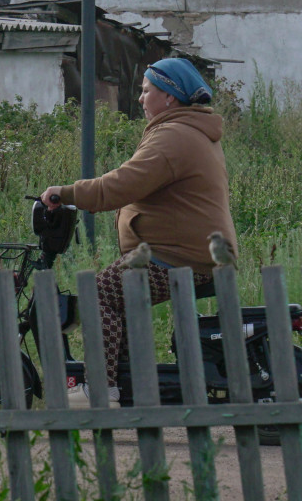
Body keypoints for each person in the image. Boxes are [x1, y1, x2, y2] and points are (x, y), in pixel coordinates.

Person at [39, 56, 239, 388]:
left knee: (100, 291)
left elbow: (119, 186)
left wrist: (65, 193)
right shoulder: (186, 130)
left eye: (147, 91)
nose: (141, 99)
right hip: (186, 251)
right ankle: (132, 384)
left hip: (179, 256)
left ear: (169, 97)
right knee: (122, 295)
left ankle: (101, 389)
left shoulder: (174, 136)